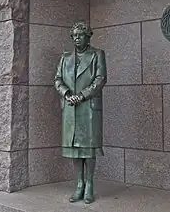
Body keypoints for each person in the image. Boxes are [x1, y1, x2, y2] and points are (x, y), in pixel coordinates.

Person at [54, 21, 107, 204]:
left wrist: (82, 95)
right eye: (74, 35)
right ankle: (79, 184)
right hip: (70, 107)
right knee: (74, 149)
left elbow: (100, 79)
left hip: (88, 107)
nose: (77, 38)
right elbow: (58, 79)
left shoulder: (97, 54)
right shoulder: (65, 57)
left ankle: (90, 184)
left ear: (88, 36)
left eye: (80, 35)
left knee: (88, 148)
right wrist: (67, 93)